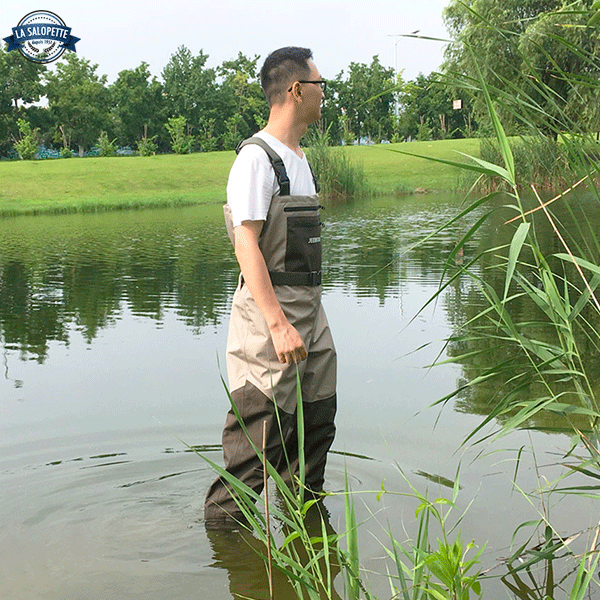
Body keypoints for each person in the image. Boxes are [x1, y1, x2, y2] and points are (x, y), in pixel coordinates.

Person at [204, 47, 337, 525]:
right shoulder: (256, 160)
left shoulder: (299, 158)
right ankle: (226, 535)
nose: (325, 95)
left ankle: (305, 524)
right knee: (257, 440)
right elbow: (246, 246)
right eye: (321, 85)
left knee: (317, 421)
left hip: (309, 313)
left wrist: (308, 321)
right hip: (270, 320)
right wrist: (278, 325)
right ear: (297, 90)